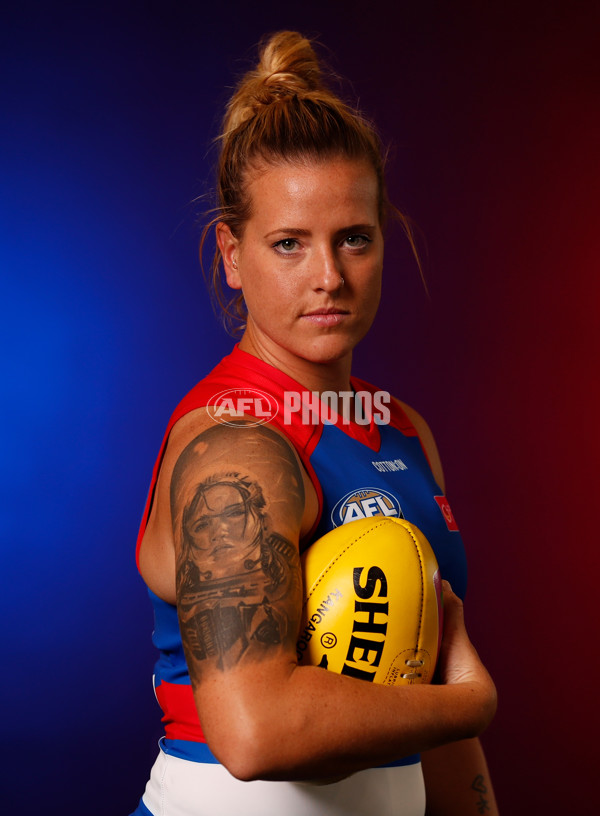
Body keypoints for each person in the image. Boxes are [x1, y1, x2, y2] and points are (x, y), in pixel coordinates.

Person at [130, 30, 498, 816]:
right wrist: (471, 702)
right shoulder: (235, 446)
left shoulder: (402, 429)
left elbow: (423, 689)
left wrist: (458, 721)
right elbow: (255, 733)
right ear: (233, 255)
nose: (328, 278)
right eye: (289, 244)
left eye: (353, 240)